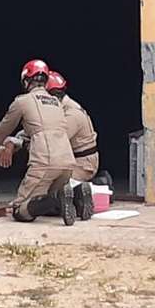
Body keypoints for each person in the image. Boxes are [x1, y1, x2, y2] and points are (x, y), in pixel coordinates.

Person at [0, 59, 77, 225]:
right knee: (44, 200)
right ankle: (73, 194)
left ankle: (55, 199)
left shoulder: (22, 101)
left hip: (45, 162)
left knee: (20, 210)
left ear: (26, 80)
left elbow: (2, 130)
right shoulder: (56, 102)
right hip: (68, 161)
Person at [46, 70, 98, 220]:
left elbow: (53, 142)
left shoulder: (71, 114)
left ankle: (77, 198)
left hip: (82, 164)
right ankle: (78, 192)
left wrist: (25, 142)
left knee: (43, 195)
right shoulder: (65, 108)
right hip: (76, 161)